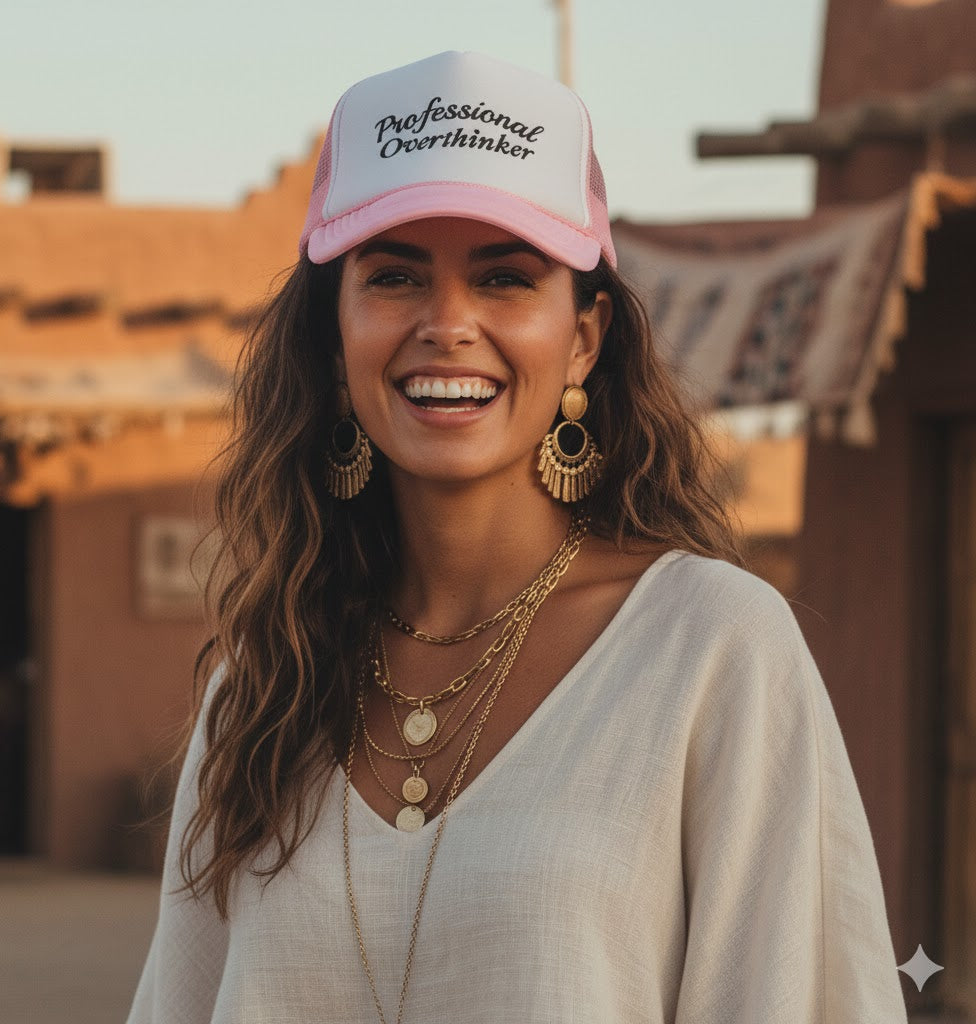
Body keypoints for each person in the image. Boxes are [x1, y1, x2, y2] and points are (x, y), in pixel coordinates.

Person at [127, 51, 907, 1024]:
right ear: (334, 338)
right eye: (395, 276)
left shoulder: (711, 646)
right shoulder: (264, 678)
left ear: (583, 337)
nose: (448, 324)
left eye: (504, 277)